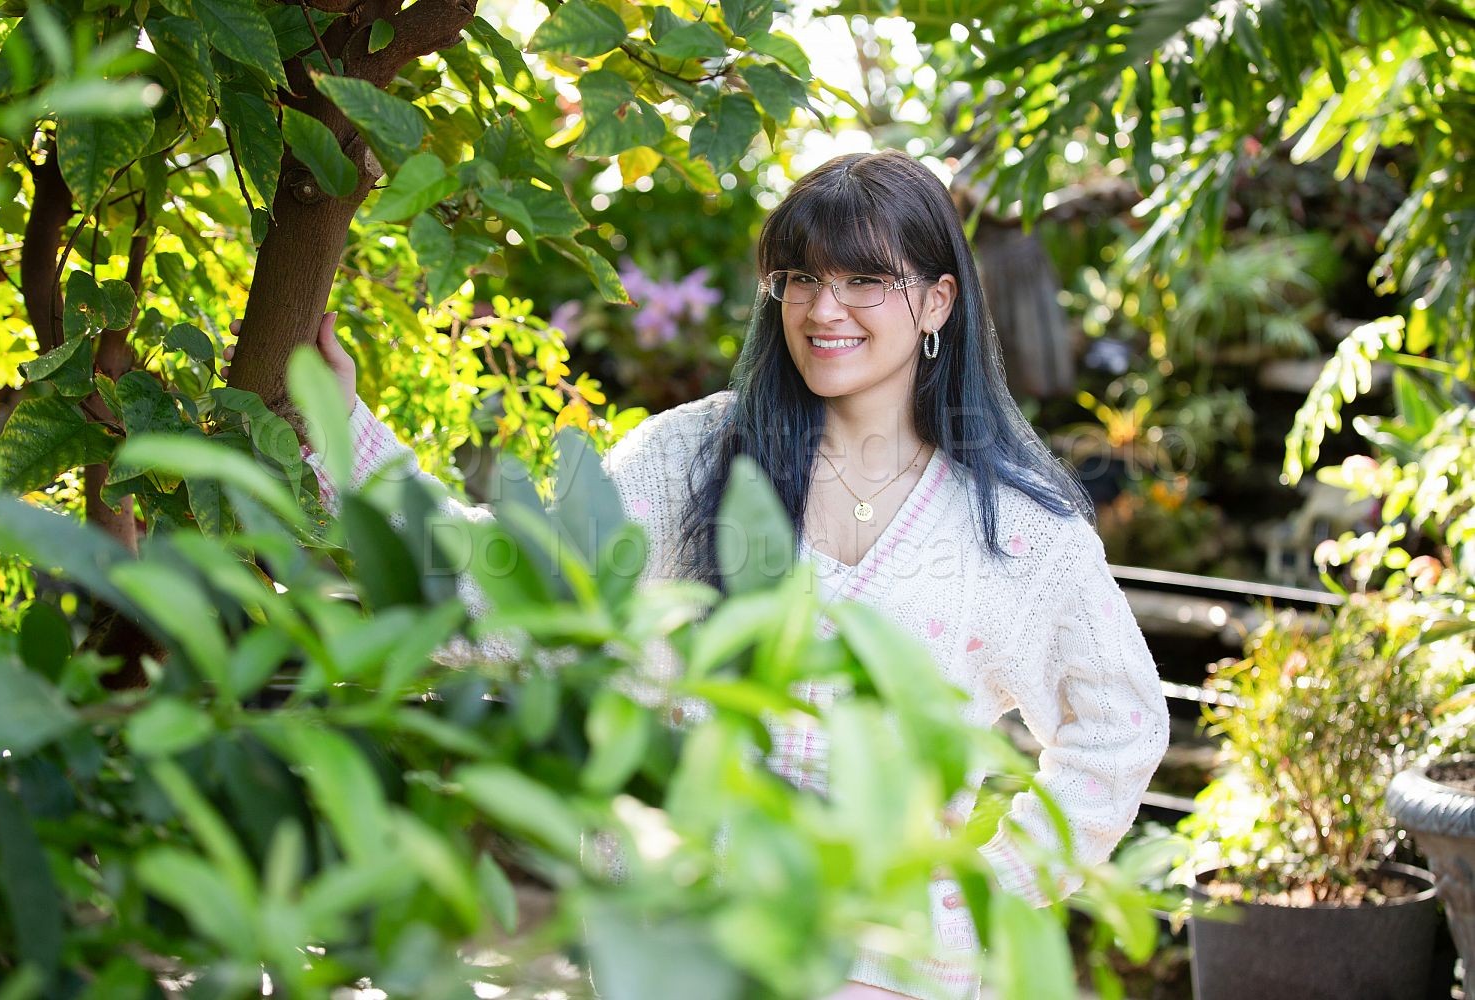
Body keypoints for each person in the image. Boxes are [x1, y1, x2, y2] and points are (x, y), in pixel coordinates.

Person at [257, 149, 1169, 999]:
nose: (824, 309)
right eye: (801, 277)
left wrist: (983, 891)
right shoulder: (693, 457)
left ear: (937, 302)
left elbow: (1119, 731)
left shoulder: (1015, 530)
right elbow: (519, 594)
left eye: (864, 280)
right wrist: (348, 439)